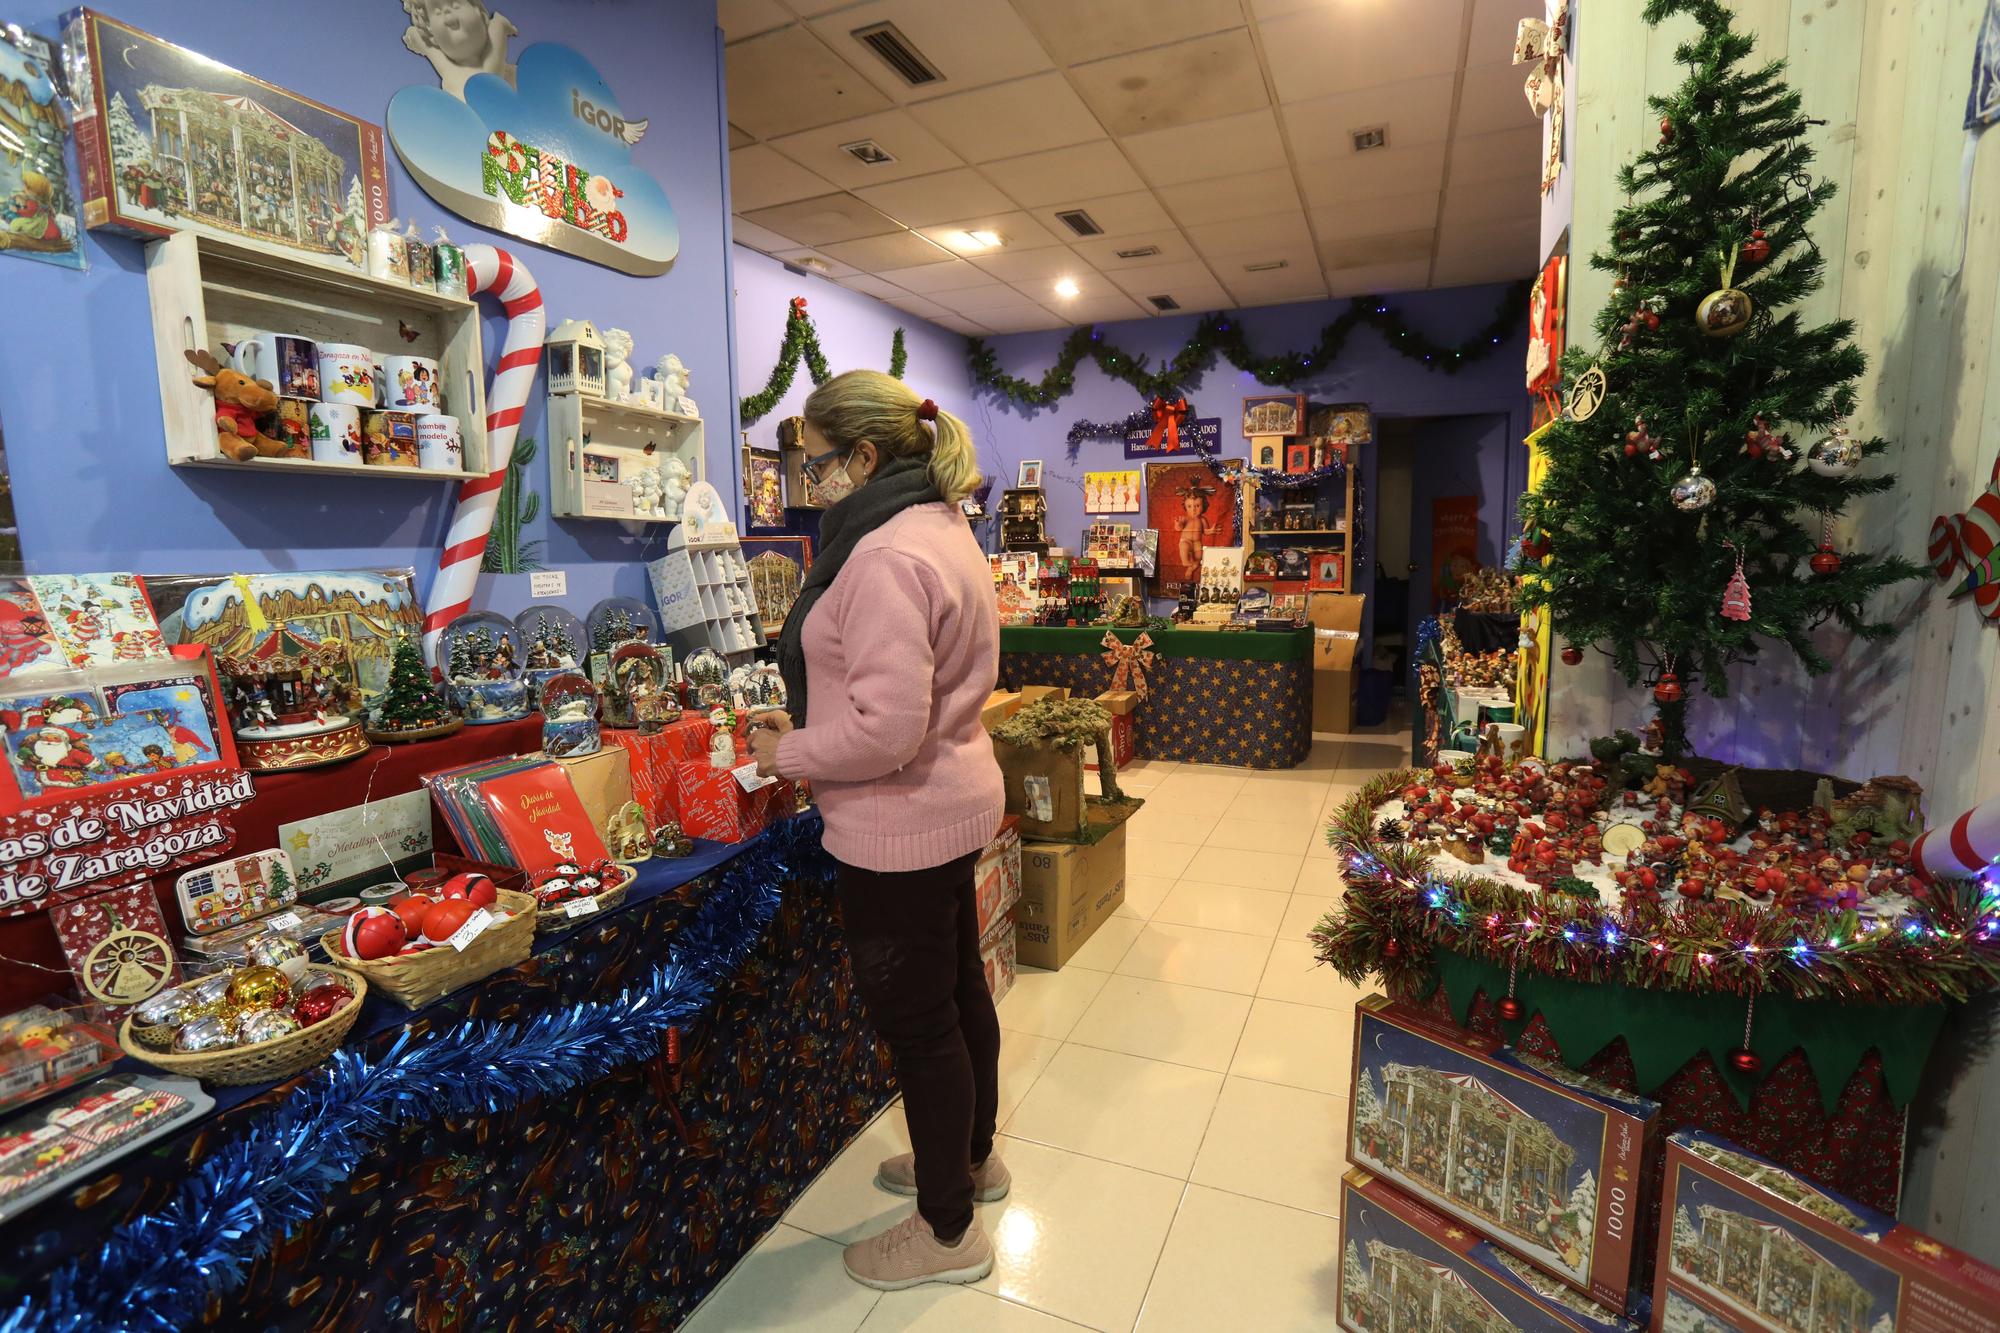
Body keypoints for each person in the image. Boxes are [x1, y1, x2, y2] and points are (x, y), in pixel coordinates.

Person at [746, 370, 1005, 1291]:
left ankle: (947, 1232)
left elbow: (889, 728)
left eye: (811, 464)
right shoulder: (941, 524)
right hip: (952, 801)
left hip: (903, 823)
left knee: (920, 1022)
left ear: (863, 457)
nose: (803, 482)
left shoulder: (886, 554)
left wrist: (795, 752)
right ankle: (972, 1161)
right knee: (959, 988)